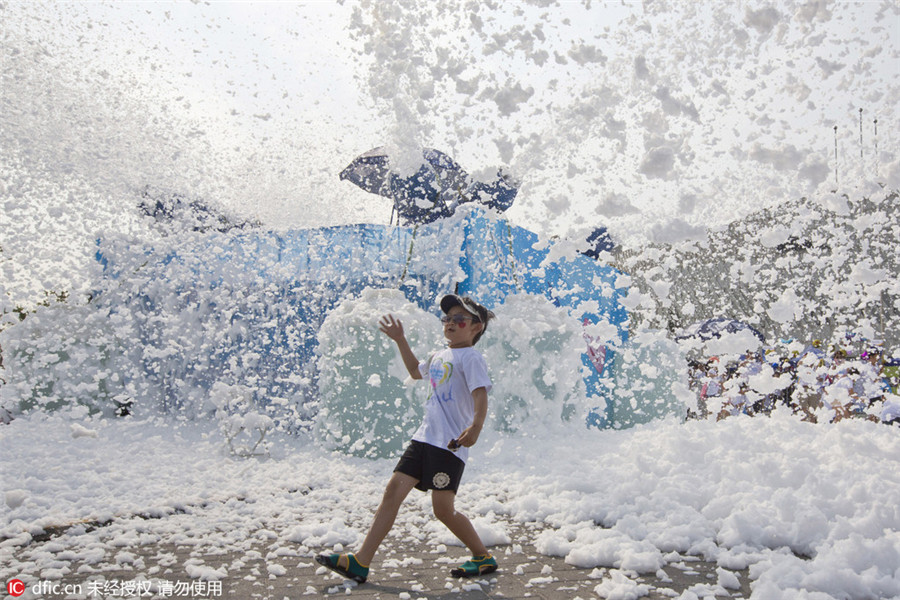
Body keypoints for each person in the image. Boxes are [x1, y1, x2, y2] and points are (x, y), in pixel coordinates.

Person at [316, 294, 497, 583]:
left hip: (449, 445)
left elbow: (480, 393)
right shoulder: (440, 355)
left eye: (459, 319)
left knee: (443, 511)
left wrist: (476, 426)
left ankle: (482, 556)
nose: (451, 323)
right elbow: (415, 372)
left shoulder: (472, 357)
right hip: (423, 439)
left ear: (476, 328)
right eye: (447, 318)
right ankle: (360, 562)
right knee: (392, 492)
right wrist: (400, 339)